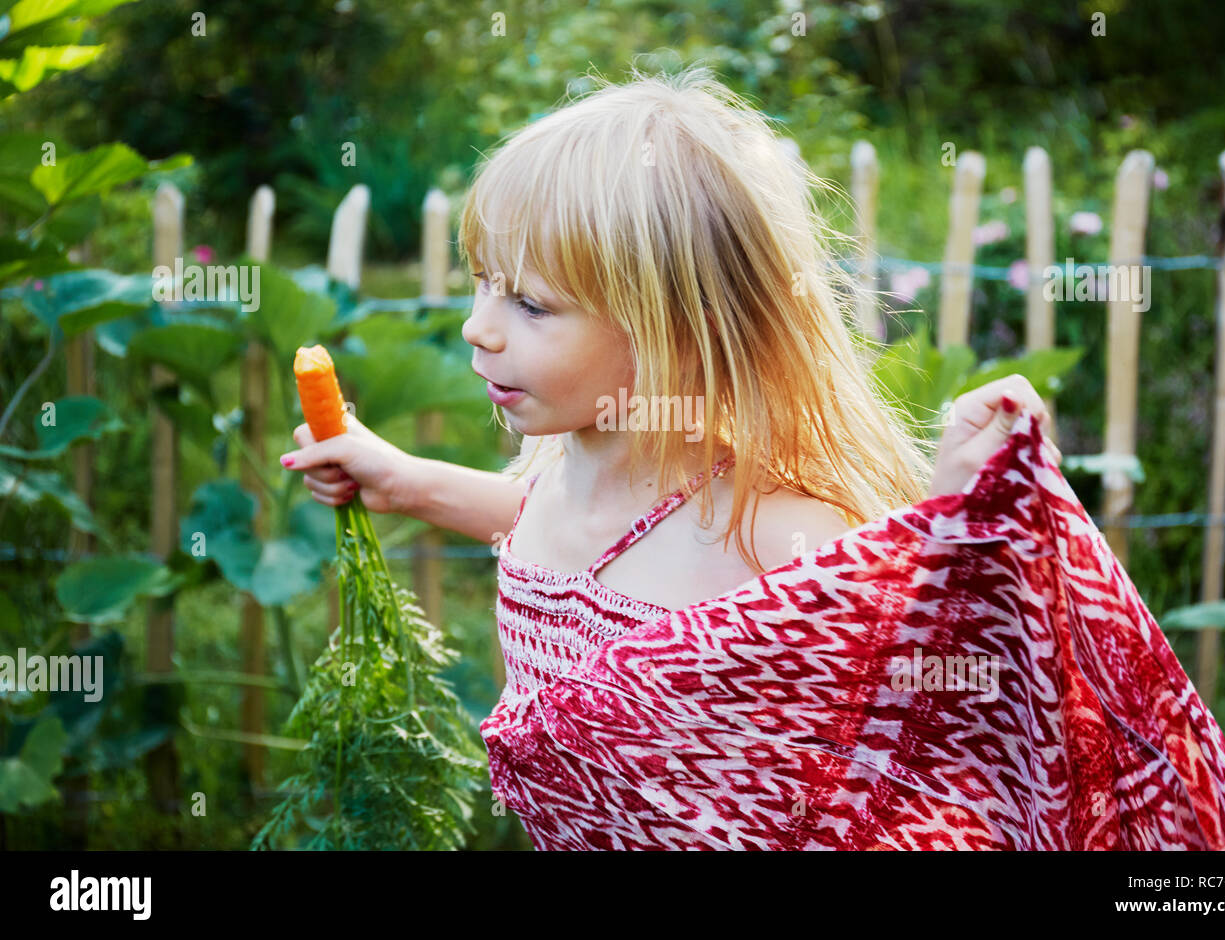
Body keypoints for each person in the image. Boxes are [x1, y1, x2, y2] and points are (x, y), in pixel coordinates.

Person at [279, 66, 1073, 847]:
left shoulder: (762, 531)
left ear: (676, 331)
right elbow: (559, 539)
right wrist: (407, 481)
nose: (477, 328)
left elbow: (933, 669)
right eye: (484, 283)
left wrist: (961, 517)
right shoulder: (566, 472)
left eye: (529, 304)